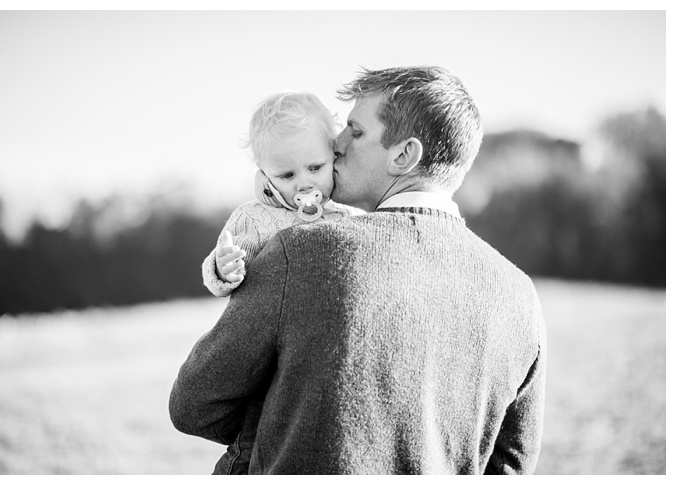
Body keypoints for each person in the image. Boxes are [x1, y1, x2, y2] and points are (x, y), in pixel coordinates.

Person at [170, 66, 547, 474]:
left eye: (355, 130)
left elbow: (194, 404)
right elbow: (510, 466)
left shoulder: (300, 253)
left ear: (404, 155)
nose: (337, 142)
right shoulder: (520, 295)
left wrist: (280, 425)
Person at [201, 91, 361, 474]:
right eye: (287, 175)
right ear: (265, 174)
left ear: (334, 156)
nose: (304, 183)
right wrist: (224, 269)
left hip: (327, 361)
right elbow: (220, 269)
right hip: (269, 363)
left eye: (315, 167)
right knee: (256, 443)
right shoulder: (254, 218)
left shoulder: (352, 216)